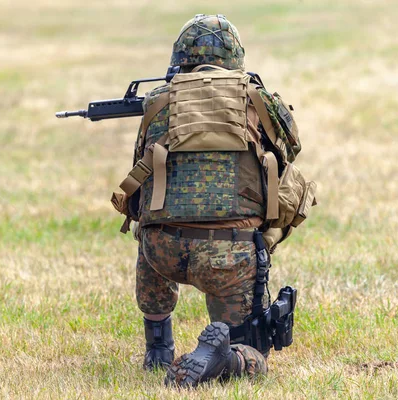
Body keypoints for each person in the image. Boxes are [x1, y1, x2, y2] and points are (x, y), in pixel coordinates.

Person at [114, 13, 310, 387]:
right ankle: (225, 357)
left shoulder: (157, 101)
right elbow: (292, 150)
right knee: (252, 357)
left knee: (150, 220)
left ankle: (158, 347)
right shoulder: (257, 99)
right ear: (236, 58)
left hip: (163, 251)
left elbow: (139, 178)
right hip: (230, 255)